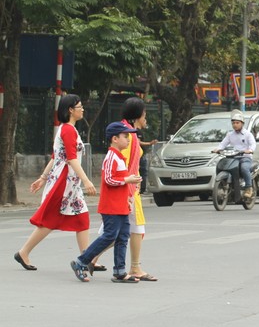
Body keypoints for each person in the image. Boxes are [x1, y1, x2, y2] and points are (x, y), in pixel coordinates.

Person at [14, 95, 97, 271]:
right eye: (80, 107)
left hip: (70, 183)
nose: (82, 109)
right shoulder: (67, 130)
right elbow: (71, 159)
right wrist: (86, 180)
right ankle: (24, 252)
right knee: (50, 220)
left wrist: (43, 177)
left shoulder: (67, 129)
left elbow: (56, 156)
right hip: (64, 182)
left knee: (82, 219)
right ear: (70, 110)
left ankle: (87, 259)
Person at [92, 97, 158, 281]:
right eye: (145, 114)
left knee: (115, 232)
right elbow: (123, 165)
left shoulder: (130, 134)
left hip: (129, 189)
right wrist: (129, 191)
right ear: (138, 115)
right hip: (128, 190)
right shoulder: (128, 137)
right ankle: (133, 267)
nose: (146, 118)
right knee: (132, 229)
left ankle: (91, 258)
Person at [70, 122, 142, 282]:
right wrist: (127, 179)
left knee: (123, 237)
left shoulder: (120, 157)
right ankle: (81, 261)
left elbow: (118, 181)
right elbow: (109, 179)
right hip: (111, 206)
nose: (129, 139)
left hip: (121, 205)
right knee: (110, 236)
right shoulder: (111, 157)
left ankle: (120, 271)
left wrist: (129, 192)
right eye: (125, 136)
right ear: (115, 139)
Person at [212, 110, 256, 199]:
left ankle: (248, 188)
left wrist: (250, 150)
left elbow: (253, 144)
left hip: (244, 158)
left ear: (242, 123)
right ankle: (222, 185)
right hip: (232, 157)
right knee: (220, 165)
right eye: (233, 123)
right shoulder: (230, 134)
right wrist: (218, 149)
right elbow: (223, 144)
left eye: (237, 123)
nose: (235, 125)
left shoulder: (248, 134)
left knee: (244, 168)